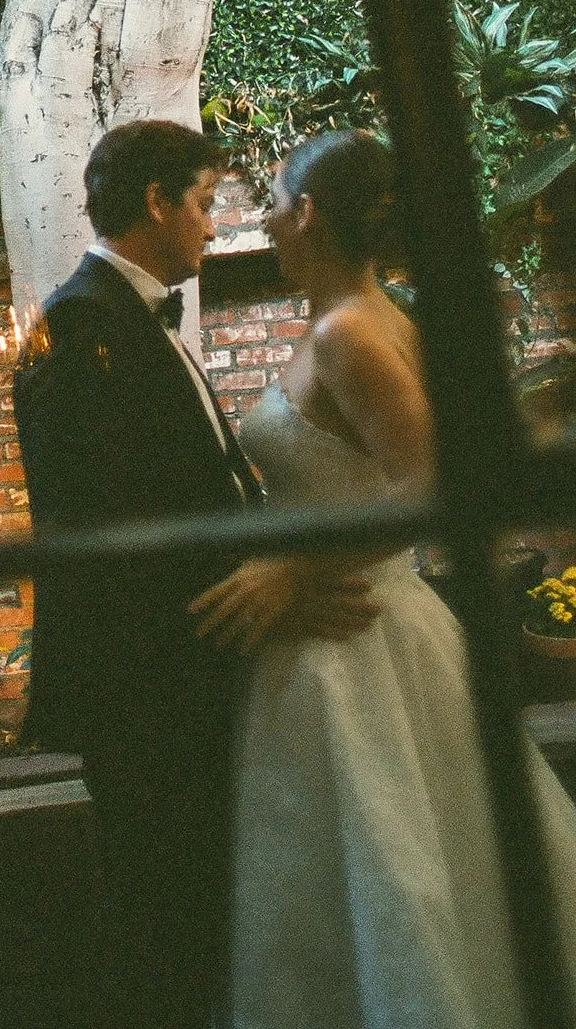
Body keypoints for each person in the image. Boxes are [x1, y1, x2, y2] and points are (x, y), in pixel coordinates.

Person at [190, 128, 576, 1028]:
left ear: (307, 211)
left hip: (357, 636)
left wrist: (295, 567)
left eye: (271, 204)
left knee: (392, 861)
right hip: (350, 628)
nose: (263, 223)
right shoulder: (359, 319)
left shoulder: (349, 332)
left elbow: (430, 486)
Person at [13, 120, 380, 1029]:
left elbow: (189, 490)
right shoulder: (82, 325)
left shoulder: (128, 316)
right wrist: (266, 588)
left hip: (185, 681)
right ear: (155, 202)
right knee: (164, 933)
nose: (215, 228)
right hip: (148, 692)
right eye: (205, 203)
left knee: (199, 921)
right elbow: (107, 533)